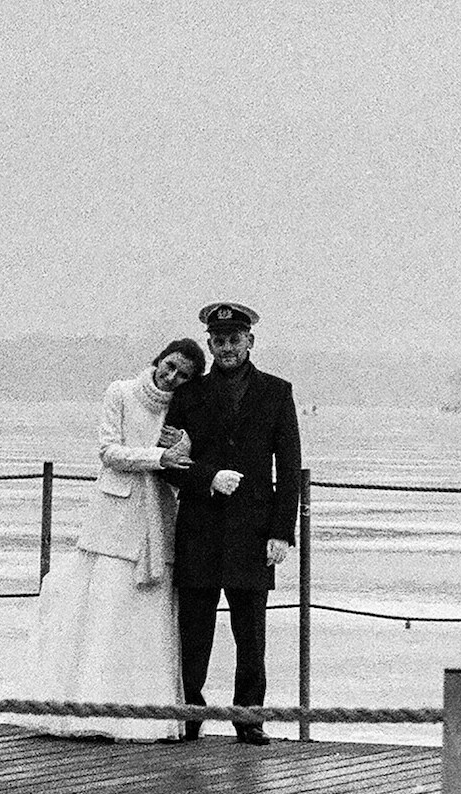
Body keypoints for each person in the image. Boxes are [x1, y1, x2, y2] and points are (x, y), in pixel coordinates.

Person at [21, 339, 204, 739]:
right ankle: (92, 712)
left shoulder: (182, 410)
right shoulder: (120, 391)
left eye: (182, 375)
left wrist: (182, 448)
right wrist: (157, 458)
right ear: (158, 360)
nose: (170, 377)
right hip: (114, 519)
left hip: (157, 518)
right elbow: (109, 451)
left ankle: (140, 718)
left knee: (146, 617)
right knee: (105, 612)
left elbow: (187, 457)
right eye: (169, 366)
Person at [165, 302, 303, 744]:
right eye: (219, 341)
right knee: (194, 633)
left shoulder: (278, 393)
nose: (227, 348)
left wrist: (282, 532)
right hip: (200, 530)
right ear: (209, 343)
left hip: (253, 533)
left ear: (250, 342)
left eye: (234, 340)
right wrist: (208, 478)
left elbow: (291, 465)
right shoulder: (186, 395)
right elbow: (168, 465)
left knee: (251, 634)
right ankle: (189, 714)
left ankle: (249, 718)